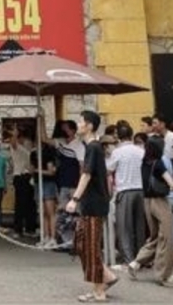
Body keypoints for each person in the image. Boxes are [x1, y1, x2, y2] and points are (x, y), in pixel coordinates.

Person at [64, 111, 117, 303]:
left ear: (90, 126)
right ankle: (106, 277)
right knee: (83, 245)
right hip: (91, 204)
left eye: (81, 122)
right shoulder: (92, 147)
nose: (78, 124)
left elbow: (86, 175)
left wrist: (75, 199)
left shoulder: (93, 148)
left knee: (91, 247)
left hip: (94, 204)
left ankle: (99, 290)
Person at [127, 135, 173, 288]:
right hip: (160, 202)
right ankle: (165, 276)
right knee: (166, 239)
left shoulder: (144, 162)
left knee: (155, 237)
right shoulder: (159, 163)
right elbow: (171, 184)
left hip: (147, 201)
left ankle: (136, 263)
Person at [106, 123, 145, 265]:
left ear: (118, 137)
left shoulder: (117, 152)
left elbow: (109, 169)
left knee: (124, 227)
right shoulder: (140, 150)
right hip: (140, 190)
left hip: (124, 191)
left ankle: (129, 259)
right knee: (140, 226)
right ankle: (141, 258)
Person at [9, 127, 37, 238]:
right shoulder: (17, 148)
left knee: (31, 204)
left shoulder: (32, 150)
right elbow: (13, 144)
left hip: (30, 177)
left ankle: (31, 228)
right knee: (20, 204)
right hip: (20, 177)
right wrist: (14, 135)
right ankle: (18, 229)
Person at [35, 138, 59, 247]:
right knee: (43, 212)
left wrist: (37, 170)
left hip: (48, 184)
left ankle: (53, 237)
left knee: (50, 212)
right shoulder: (34, 155)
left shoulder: (48, 156)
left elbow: (51, 172)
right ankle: (46, 236)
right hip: (38, 183)